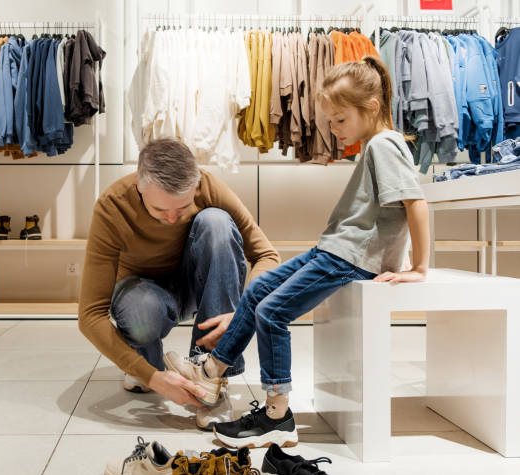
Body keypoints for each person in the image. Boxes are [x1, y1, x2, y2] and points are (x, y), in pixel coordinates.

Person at [164, 56, 430, 448]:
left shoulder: (384, 145)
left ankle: (276, 415)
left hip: (349, 258)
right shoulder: (376, 145)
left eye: (340, 120)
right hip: (335, 250)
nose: (334, 130)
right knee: (256, 292)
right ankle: (211, 372)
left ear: (371, 108)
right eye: (331, 122)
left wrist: (419, 267)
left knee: (271, 312)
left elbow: (415, 202)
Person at [78, 137, 280, 429]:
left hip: (196, 284)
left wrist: (243, 310)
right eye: (160, 210)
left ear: (195, 187)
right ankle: (145, 361)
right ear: (139, 186)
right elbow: (90, 315)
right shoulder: (112, 206)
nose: (172, 218)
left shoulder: (209, 186)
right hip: (142, 295)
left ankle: (212, 373)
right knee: (141, 309)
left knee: (217, 223)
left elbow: (267, 255)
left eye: (182, 208)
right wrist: (151, 376)